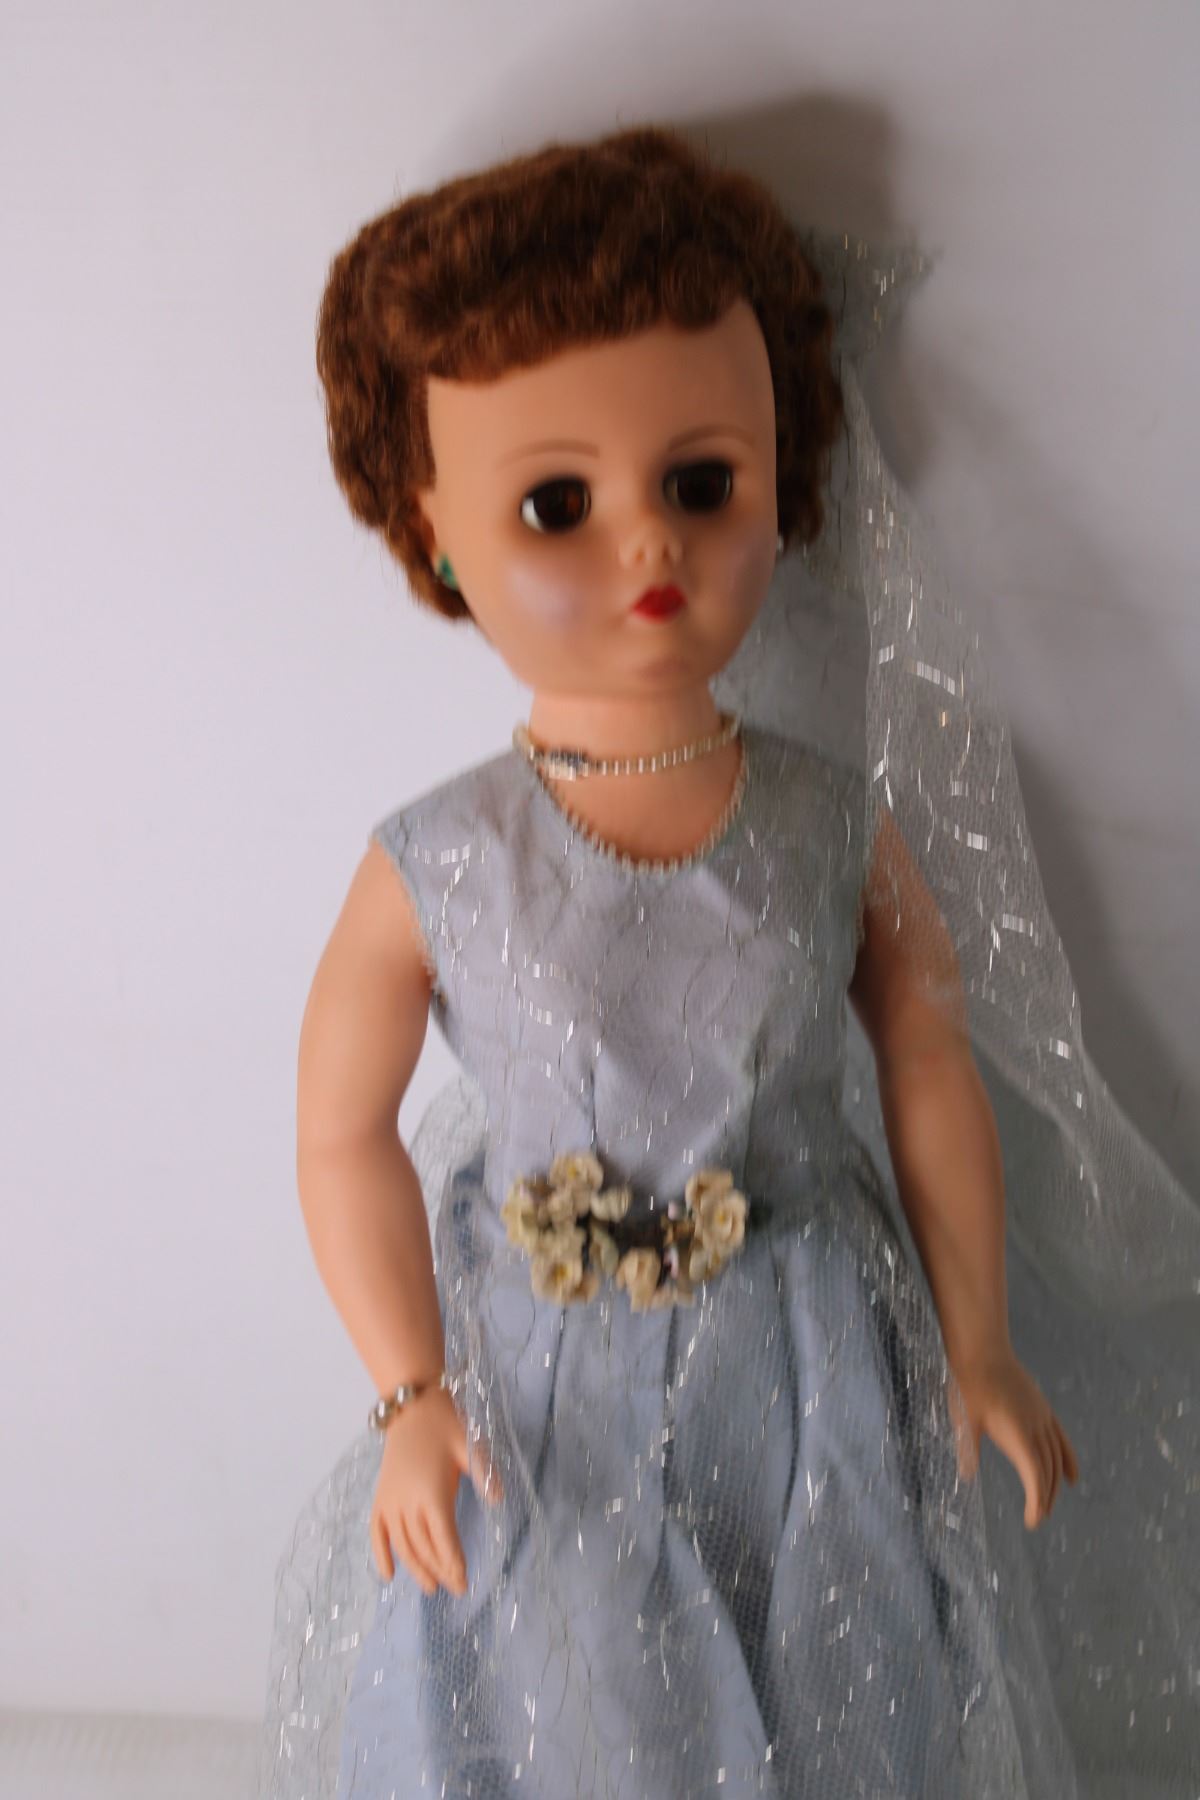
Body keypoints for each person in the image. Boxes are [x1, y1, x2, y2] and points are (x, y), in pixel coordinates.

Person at [258, 125, 1199, 1799]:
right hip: (545, 1383)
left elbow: (926, 1057)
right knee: (568, 1675)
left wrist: (979, 1340)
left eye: (704, 483)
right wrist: (409, 1392)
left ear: (786, 477)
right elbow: (340, 1134)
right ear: (434, 531)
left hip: (811, 1351)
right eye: (558, 503)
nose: (650, 546)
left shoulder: (832, 821)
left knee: (837, 1658)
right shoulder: (442, 857)